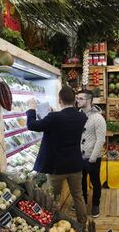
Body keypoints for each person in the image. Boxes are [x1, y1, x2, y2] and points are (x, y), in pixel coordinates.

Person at [26, 86, 88, 224]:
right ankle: (82, 224)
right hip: (75, 164)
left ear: (60, 100)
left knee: (53, 198)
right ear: (74, 100)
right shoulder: (82, 116)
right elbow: (65, 123)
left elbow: (31, 125)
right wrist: (52, 115)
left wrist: (31, 109)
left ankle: (53, 224)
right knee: (78, 196)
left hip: (56, 167)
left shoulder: (54, 118)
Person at [76, 90, 106, 218]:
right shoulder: (77, 115)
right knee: (80, 181)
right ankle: (83, 201)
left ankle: (95, 204)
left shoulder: (98, 118)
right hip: (79, 157)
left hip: (92, 157)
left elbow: (101, 139)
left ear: (88, 100)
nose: (77, 100)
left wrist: (93, 158)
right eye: (77, 98)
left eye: (81, 98)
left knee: (95, 182)